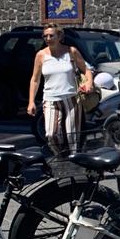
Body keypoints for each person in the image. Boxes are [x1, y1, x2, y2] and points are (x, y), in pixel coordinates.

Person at [27, 23, 93, 157]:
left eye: (51, 35)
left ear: (60, 36)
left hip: (71, 99)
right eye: (45, 36)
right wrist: (31, 102)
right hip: (50, 100)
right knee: (51, 135)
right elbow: (35, 79)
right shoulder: (41, 55)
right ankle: (62, 158)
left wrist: (89, 83)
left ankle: (75, 164)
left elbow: (86, 70)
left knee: (72, 136)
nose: (48, 38)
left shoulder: (71, 52)